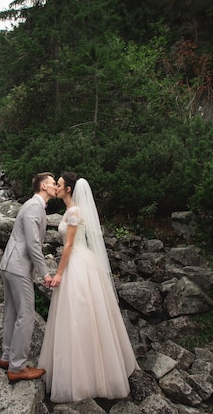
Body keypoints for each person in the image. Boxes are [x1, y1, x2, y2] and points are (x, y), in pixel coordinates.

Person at [38, 172, 139, 402]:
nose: (57, 187)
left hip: (78, 264)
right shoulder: (70, 210)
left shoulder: (74, 212)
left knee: (79, 316)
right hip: (81, 262)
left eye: (60, 184)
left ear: (69, 189)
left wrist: (59, 273)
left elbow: (69, 246)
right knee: (83, 316)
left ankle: (86, 379)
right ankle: (92, 371)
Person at [0, 172, 58, 382]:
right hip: (18, 267)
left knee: (12, 313)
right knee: (26, 315)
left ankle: (7, 357)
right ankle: (17, 367)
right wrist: (45, 273)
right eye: (53, 183)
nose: (55, 186)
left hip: (10, 264)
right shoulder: (34, 206)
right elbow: (33, 244)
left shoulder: (32, 205)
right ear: (43, 186)